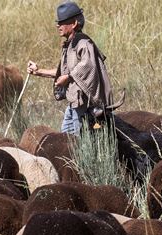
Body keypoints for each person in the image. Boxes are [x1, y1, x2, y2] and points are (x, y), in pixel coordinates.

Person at [27, 2, 114, 135]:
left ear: (73, 24)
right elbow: (62, 73)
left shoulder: (84, 43)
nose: (58, 25)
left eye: (62, 22)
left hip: (85, 107)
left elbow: (88, 66)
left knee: (80, 142)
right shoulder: (70, 45)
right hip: (74, 105)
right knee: (67, 141)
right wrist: (38, 71)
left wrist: (68, 78)